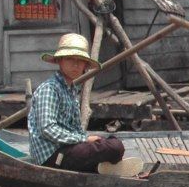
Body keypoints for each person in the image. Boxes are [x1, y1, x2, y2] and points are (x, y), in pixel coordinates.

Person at [28, 33, 143, 176]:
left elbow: (74, 130)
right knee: (115, 147)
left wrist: (88, 141)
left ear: (85, 65)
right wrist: (84, 139)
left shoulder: (70, 91)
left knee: (108, 142)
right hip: (52, 157)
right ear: (59, 61)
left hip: (69, 150)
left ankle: (100, 168)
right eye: (70, 59)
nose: (75, 65)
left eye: (80, 61)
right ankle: (99, 167)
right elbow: (48, 129)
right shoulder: (49, 89)